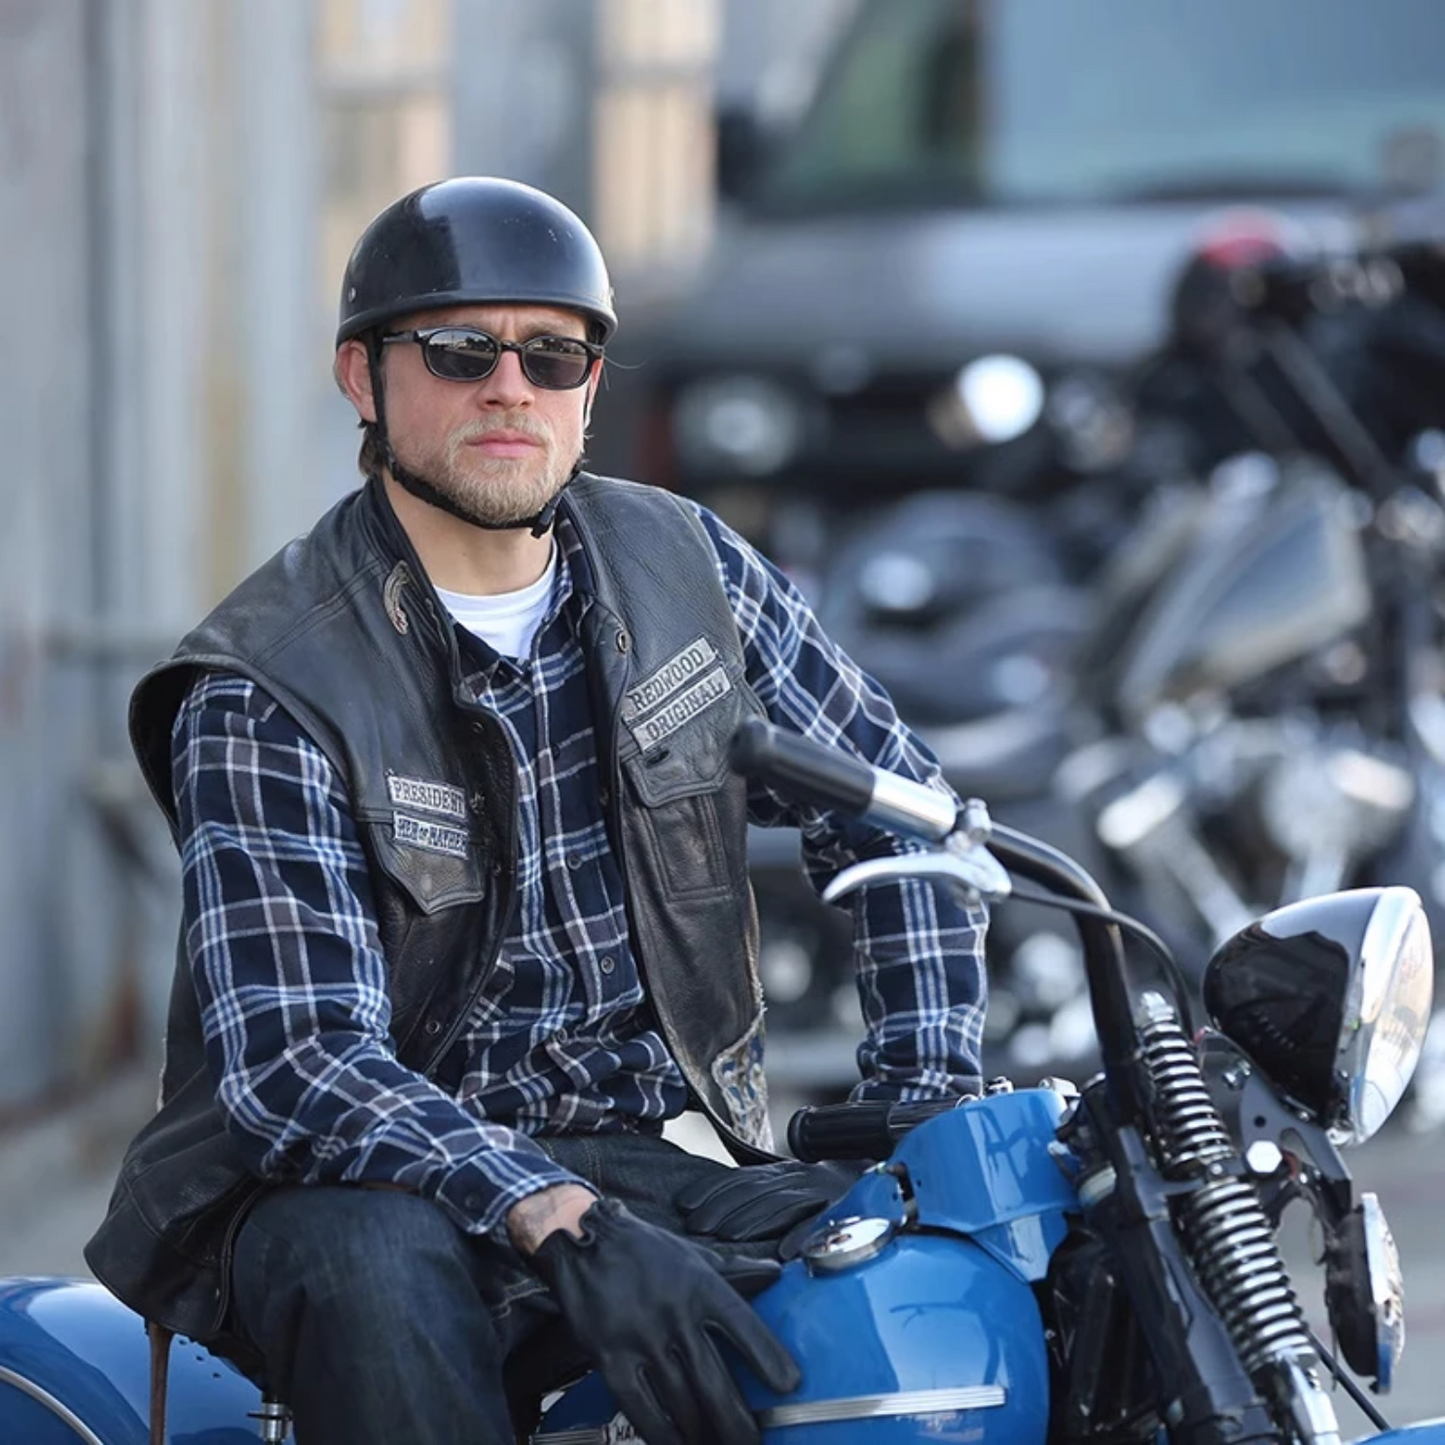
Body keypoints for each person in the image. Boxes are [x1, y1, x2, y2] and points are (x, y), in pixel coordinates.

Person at [85, 176, 987, 1445]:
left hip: (621, 1148)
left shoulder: (688, 569)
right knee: (381, 1263)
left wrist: (924, 1104)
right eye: (461, 349)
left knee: (916, 1275)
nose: (510, 386)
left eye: (551, 351)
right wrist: (549, 1210)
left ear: (589, 384)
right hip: (331, 1184)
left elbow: (909, 821)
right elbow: (299, 1062)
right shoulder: (270, 681)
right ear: (362, 377)